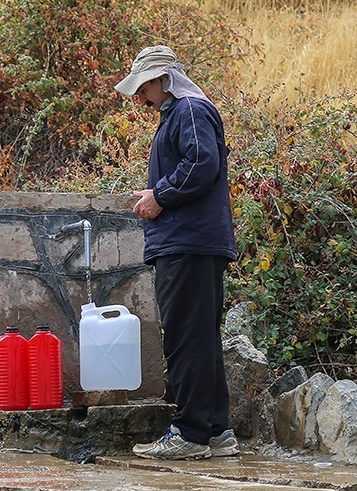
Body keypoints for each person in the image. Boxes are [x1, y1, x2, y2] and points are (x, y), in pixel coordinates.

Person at [114, 45, 239, 460]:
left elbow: (201, 164)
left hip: (188, 242)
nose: (140, 99)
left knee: (185, 338)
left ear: (159, 80)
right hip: (195, 242)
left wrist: (160, 197)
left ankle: (189, 433)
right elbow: (197, 164)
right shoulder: (186, 110)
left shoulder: (187, 109)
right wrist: (157, 194)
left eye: (143, 88)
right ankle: (216, 431)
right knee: (199, 337)